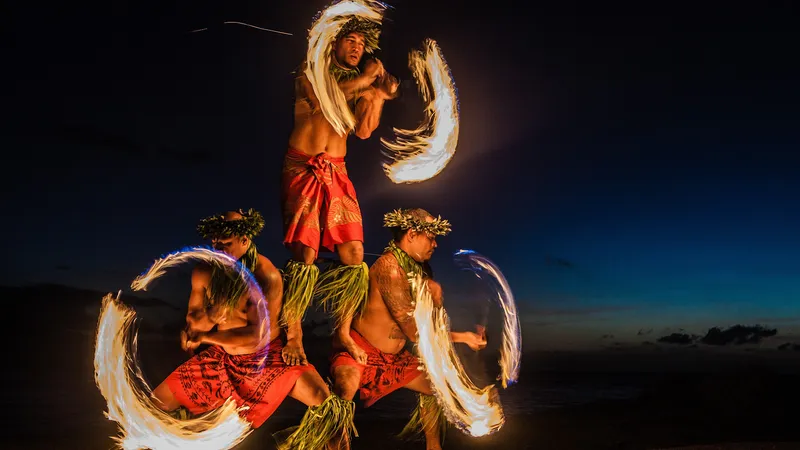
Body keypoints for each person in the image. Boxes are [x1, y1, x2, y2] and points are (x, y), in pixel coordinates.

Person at [150, 209, 355, 449]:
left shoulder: (266, 276)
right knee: (156, 404)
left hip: (267, 359)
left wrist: (205, 336)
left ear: (245, 240)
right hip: (223, 357)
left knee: (328, 407)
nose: (218, 250)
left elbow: (256, 338)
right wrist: (213, 314)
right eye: (215, 243)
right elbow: (194, 325)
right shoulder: (205, 272)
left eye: (226, 244)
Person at [280, 14, 400, 365]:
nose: (357, 47)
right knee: (305, 254)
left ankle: (342, 332)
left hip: (338, 171)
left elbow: (363, 131)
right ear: (333, 42)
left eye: (361, 44)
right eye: (351, 40)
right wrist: (368, 79)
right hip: (303, 168)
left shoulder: (359, 85)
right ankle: (294, 335)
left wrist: (379, 96)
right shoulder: (311, 72)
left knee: (354, 255)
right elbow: (326, 100)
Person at [329, 208, 487, 449]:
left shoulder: (419, 271)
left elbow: (429, 321)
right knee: (346, 386)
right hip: (360, 351)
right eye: (431, 238)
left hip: (394, 360)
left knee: (433, 386)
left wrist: (435, 299)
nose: (435, 244)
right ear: (412, 234)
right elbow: (414, 332)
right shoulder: (390, 268)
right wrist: (464, 337)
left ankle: (433, 447)